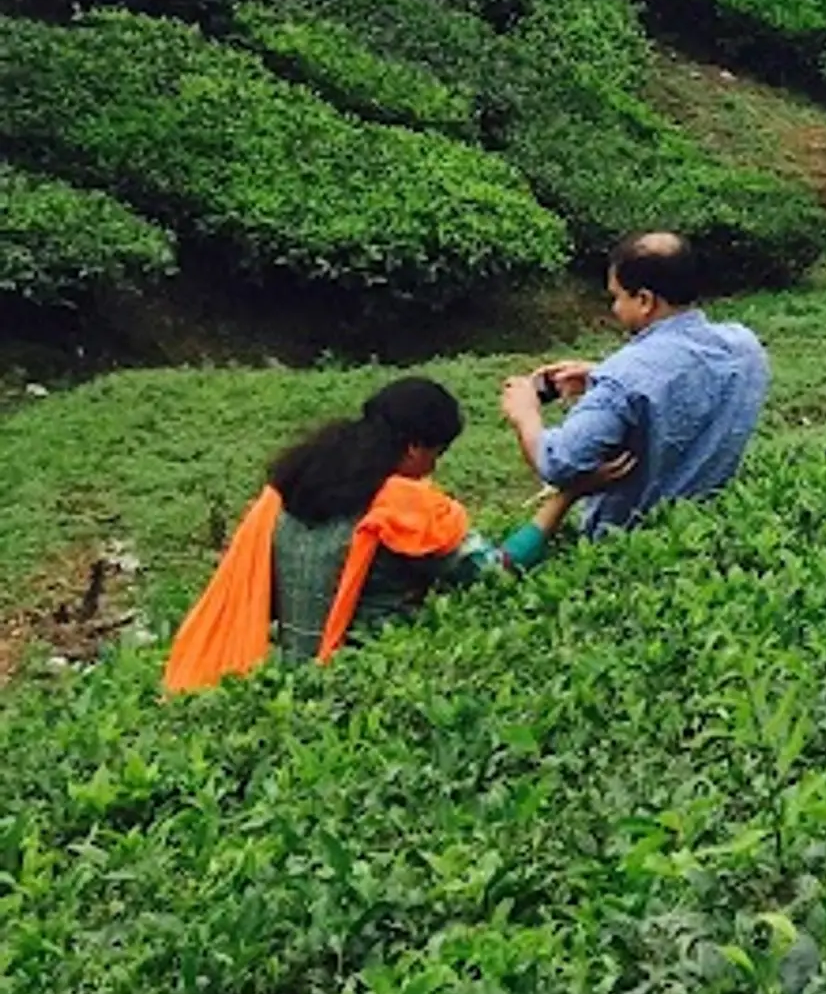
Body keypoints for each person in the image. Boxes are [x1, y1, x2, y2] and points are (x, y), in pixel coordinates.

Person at [164, 377, 576, 691]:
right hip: (367, 681)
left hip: (288, 682)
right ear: (415, 448)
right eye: (437, 453)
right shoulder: (404, 505)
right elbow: (496, 572)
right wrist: (564, 499)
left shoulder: (289, 491)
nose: (434, 468)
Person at [499, 230, 772, 539]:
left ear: (644, 300)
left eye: (616, 296)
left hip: (627, 544)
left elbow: (559, 463)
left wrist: (526, 414)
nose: (614, 308)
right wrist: (599, 376)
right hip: (706, 530)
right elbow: (679, 378)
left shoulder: (625, 380)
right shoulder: (745, 348)